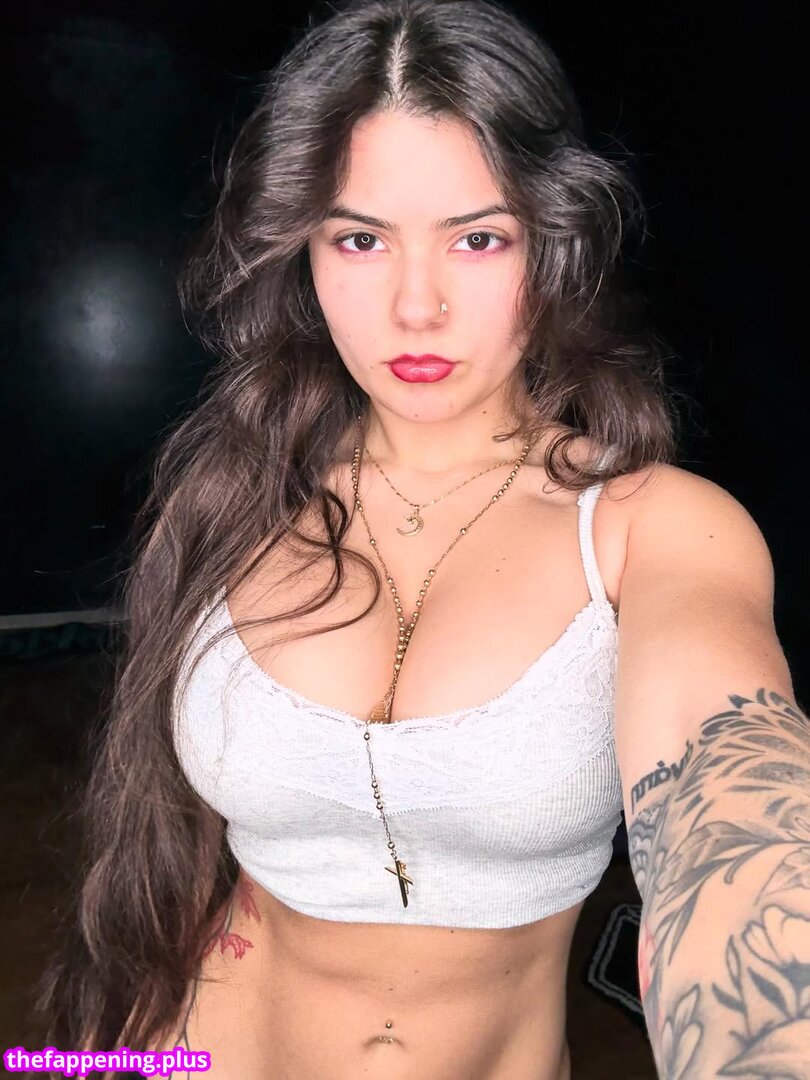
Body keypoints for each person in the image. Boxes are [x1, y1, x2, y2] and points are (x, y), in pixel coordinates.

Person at [36, 0, 696, 1077]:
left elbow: (745, 796)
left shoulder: (648, 525)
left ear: (555, 243)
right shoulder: (234, 500)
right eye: (360, 239)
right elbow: (155, 867)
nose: (415, 306)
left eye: (477, 238)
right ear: (302, 251)